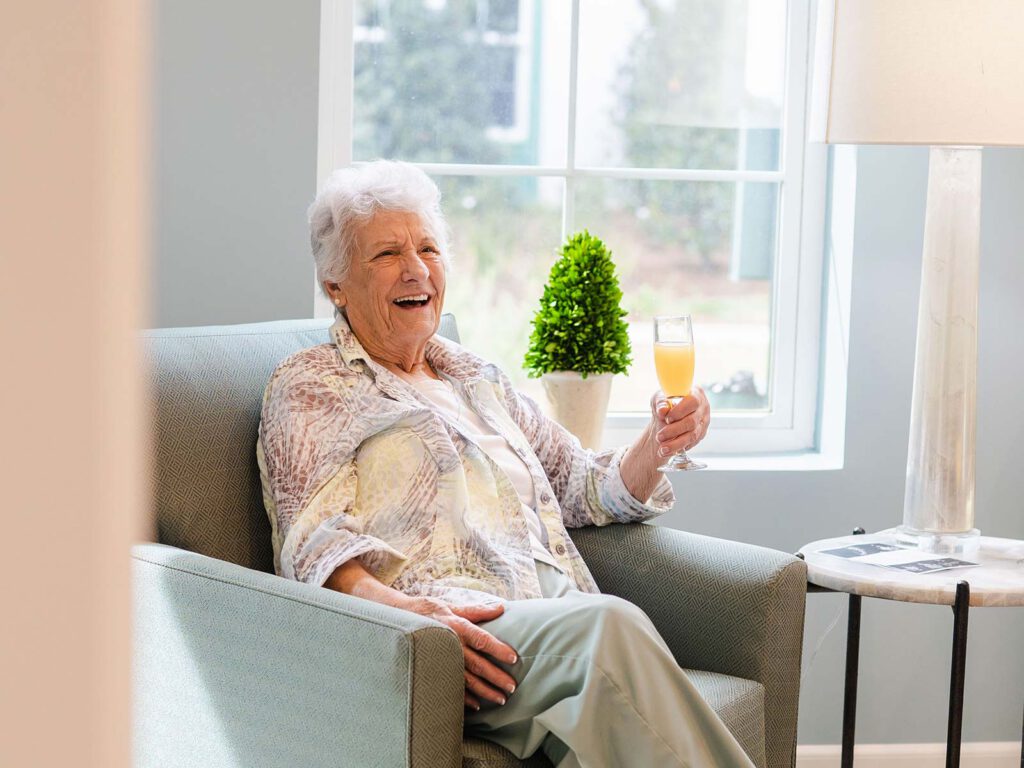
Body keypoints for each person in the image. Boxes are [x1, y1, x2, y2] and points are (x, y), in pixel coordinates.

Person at [257, 160, 754, 768]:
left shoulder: (477, 376)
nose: (416, 269)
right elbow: (310, 545)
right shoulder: (313, 384)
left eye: (429, 247)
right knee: (608, 628)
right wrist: (420, 623)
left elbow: (581, 486)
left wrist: (659, 442)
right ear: (335, 285)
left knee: (599, 714)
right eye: (386, 254)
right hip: (454, 631)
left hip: (551, 604)